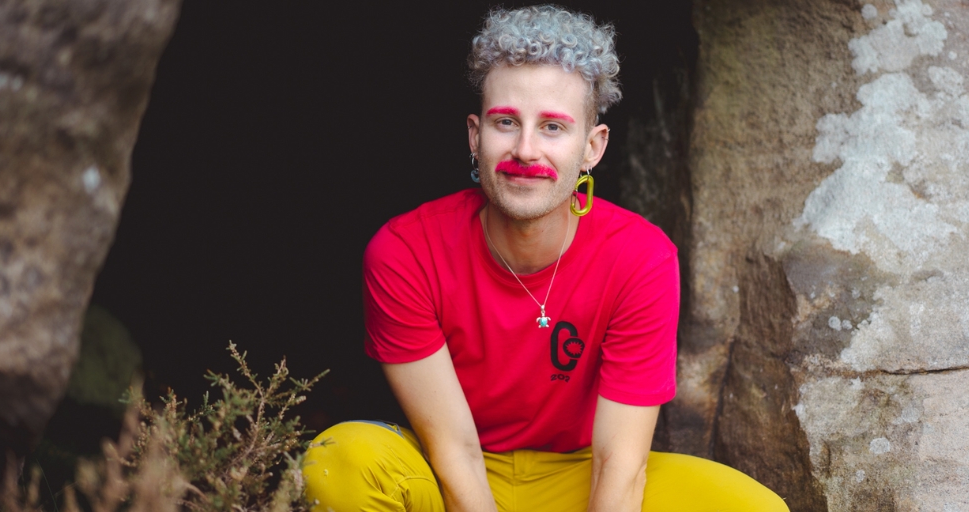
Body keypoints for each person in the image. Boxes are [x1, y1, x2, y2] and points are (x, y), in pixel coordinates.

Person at [302, 5, 789, 511]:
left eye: (553, 128)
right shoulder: (406, 252)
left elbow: (619, 466)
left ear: (592, 148)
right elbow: (454, 450)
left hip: (578, 476)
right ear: (475, 137)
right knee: (339, 460)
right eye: (506, 122)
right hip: (448, 473)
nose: (526, 150)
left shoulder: (641, 258)